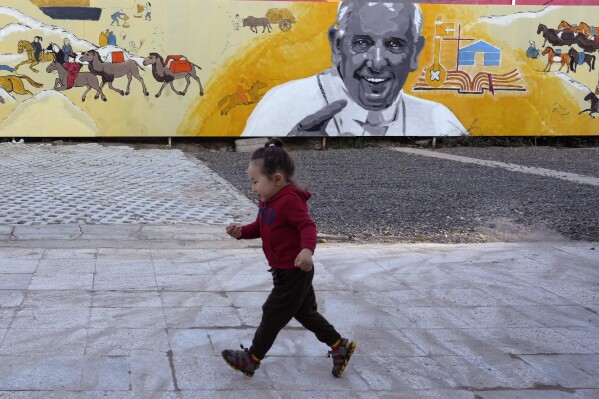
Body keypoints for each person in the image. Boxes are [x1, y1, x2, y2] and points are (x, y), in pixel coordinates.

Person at [221, 139, 356, 378]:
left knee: (272, 312)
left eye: (255, 182)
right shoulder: (268, 201)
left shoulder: (290, 201)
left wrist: (307, 251)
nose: (252, 188)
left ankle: (252, 359)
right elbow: (261, 226)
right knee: (305, 313)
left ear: (277, 179)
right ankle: (340, 346)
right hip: (284, 270)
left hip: (295, 270)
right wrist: (242, 232)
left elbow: (307, 227)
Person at [242, 1, 466, 137]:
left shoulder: (438, 120)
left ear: (415, 53)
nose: (377, 63)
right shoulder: (283, 104)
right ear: (337, 46)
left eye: (394, 45)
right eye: (362, 43)